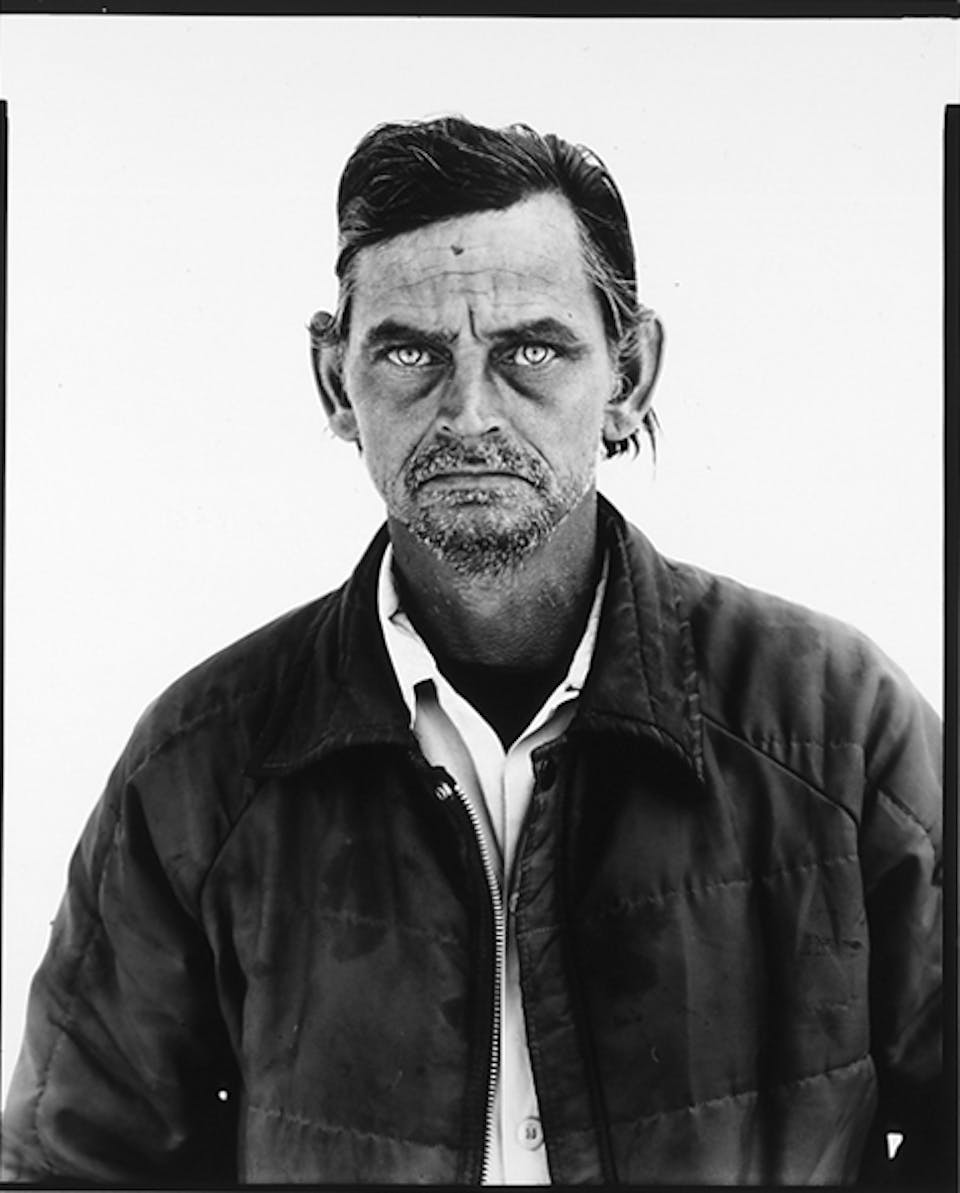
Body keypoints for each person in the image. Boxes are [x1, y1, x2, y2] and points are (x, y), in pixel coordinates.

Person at [2, 116, 945, 1186]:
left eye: (530, 349)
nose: (468, 414)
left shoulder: (837, 728)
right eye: (411, 351)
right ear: (335, 383)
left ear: (630, 373)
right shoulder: (199, 766)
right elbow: (70, 1166)